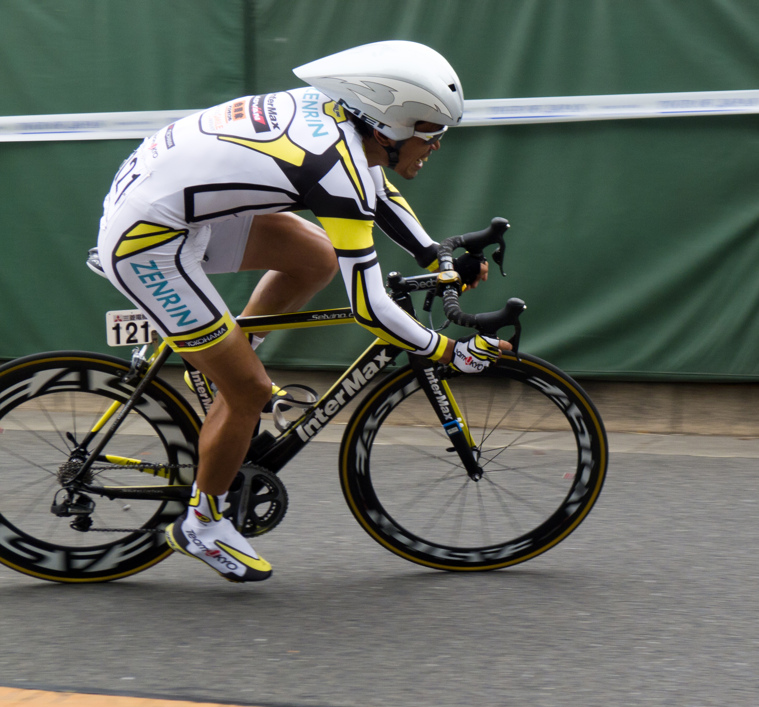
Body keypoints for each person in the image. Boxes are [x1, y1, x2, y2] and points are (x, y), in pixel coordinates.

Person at [93, 40, 509, 583]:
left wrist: (434, 255)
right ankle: (202, 524)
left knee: (315, 258)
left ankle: (226, 363)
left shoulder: (343, 121)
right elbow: (369, 306)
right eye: (430, 131)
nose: (436, 144)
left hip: (172, 207)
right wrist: (449, 352)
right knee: (249, 392)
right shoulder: (334, 166)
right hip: (147, 243)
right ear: (388, 124)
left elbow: (378, 193)